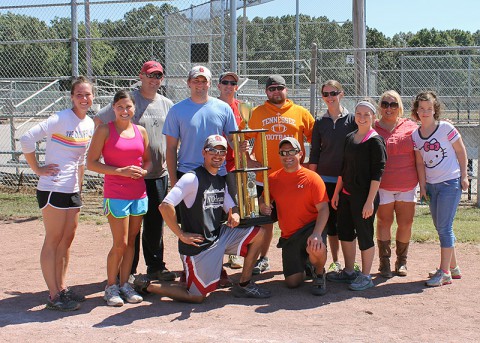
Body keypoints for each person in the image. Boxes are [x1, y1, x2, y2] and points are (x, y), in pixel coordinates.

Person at [133, 135, 271, 303]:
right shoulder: (191, 178)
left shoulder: (220, 180)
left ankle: (244, 285)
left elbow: (231, 207)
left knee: (259, 233)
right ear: (204, 153)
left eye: (222, 151)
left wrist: (234, 214)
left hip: (218, 237)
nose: (217, 155)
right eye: (213, 150)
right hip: (198, 247)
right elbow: (165, 206)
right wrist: (181, 234)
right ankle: (147, 285)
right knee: (196, 297)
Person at [94, 61, 176, 283]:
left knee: (154, 224)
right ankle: (127, 272)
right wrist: (112, 154)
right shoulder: (129, 100)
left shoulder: (167, 104)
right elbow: (99, 120)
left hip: (157, 173)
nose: (154, 79)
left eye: (158, 75)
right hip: (130, 178)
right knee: (131, 228)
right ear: (141, 76)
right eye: (150, 75)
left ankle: (155, 267)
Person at [20, 76, 95, 311]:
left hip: (72, 190)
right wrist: (37, 169)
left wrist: (79, 188)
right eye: (79, 94)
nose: (84, 98)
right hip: (52, 188)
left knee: (67, 239)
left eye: (88, 94)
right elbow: (26, 138)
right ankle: (53, 296)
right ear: (72, 97)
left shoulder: (89, 124)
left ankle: (62, 287)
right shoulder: (61, 118)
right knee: (53, 239)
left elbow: (81, 159)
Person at [163, 66, 239, 287]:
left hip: (218, 173)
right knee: (193, 226)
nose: (200, 84)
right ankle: (189, 269)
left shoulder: (223, 108)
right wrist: (173, 179)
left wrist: (244, 146)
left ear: (209, 84)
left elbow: (233, 141)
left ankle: (217, 268)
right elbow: (170, 148)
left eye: (204, 81)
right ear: (188, 83)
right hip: (189, 175)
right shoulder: (177, 110)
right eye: (196, 80)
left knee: (220, 223)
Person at [246, 74, 315, 275]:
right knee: (265, 222)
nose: (276, 92)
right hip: (265, 180)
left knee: (299, 220)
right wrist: (250, 159)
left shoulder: (300, 112)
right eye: (272, 88)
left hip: (293, 180)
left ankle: (305, 259)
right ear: (266, 91)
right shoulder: (257, 113)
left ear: (287, 90)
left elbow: (316, 139)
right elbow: (244, 139)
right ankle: (263, 258)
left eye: (280, 88)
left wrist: (310, 164)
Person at [87, 90, 151, 306]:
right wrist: (119, 171)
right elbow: (92, 163)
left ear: (134, 109)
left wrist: (144, 171)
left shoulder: (141, 131)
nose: (125, 111)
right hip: (116, 194)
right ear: (113, 108)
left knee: (132, 241)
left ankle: (125, 284)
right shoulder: (104, 130)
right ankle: (111, 286)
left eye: (129, 107)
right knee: (120, 243)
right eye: (120, 107)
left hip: (139, 193)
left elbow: (148, 161)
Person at [328, 98, 387, 291]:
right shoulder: (350, 137)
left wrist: (370, 202)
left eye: (366, 114)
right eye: (359, 114)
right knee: (345, 231)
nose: (362, 118)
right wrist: (336, 193)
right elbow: (343, 169)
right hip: (346, 194)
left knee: (364, 234)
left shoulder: (375, 141)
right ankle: (348, 271)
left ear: (373, 117)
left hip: (364, 198)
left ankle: (366, 275)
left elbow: (377, 175)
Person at [411, 91, 468, 287]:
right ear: (416, 111)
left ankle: (444, 273)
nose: (425, 112)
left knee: (444, 227)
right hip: (432, 186)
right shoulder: (415, 135)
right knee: (440, 227)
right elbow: (419, 163)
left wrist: (464, 176)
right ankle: (453, 268)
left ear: (435, 109)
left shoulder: (446, 128)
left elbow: (461, 151)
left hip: (450, 183)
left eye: (429, 108)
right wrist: (423, 185)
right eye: (422, 108)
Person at [259, 137, 329, 295]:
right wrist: (263, 204)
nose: (287, 155)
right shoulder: (273, 179)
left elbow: (324, 209)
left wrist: (317, 234)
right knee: (292, 283)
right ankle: (307, 264)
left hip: (310, 228)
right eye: (283, 152)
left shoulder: (312, 178)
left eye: (292, 151)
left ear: (300, 154)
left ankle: (319, 273)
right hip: (289, 236)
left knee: (315, 246)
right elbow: (264, 197)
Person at [308, 80, 357, 274]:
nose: (330, 97)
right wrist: (312, 179)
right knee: (330, 224)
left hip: (344, 179)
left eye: (333, 93)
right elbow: (315, 153)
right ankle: (335, 261)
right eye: (326, 94)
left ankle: (350, 264)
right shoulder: (320, 123)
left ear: (341, 94)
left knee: (345, 222)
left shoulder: (352, 120)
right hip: (324, 179)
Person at [374, 90, 419, 278]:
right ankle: (384, 263)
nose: (389, 108)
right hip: (383, 185)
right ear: (380, 107)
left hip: (407, 184)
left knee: (405, 223)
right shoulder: (373, 127)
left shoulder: (411, 126)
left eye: (393, 104)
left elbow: (430, 131)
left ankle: (401, 262)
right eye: (385, 104)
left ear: (399, 107)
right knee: (384, 221)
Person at [217, 71, 244, 270]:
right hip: (214, 165)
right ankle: (214, 250)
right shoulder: (212, 104)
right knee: (215, 209)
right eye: (225, 82)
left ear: (236, 87)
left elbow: (245, 134)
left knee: (234, 209)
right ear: (218, 86)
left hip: (233, 165)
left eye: (232, 83)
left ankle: (234, 253)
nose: (228, 85)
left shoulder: (241, 108)